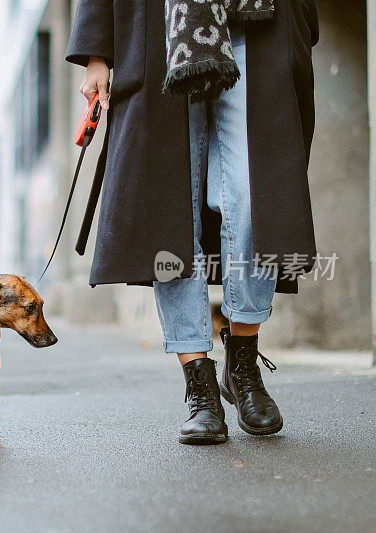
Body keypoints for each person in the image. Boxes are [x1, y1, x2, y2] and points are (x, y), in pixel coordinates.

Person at [66, 1, 319, 444]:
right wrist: (96, 52)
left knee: (255, 194)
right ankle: (198, 382)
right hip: (157, 28)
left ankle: (242, 363)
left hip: (257, 26)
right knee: (171, 209)